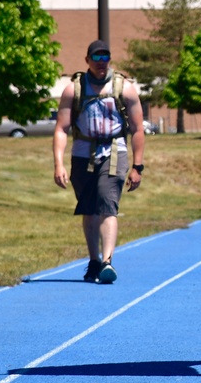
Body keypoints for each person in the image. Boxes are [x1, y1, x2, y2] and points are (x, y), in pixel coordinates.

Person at [53, 40, 146, 284]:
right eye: (96, 58)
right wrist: (59, 164)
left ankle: (107, 261)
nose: (101, 62)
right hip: (83, 154)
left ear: (110, 60)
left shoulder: (124, 88)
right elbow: (61, 128)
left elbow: (137, 129)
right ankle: (94, 260)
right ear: (88, 60)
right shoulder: (74, 90)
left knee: (107, 204)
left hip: (114, 152)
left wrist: (137, 166)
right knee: (89, 208)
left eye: (105, 58)